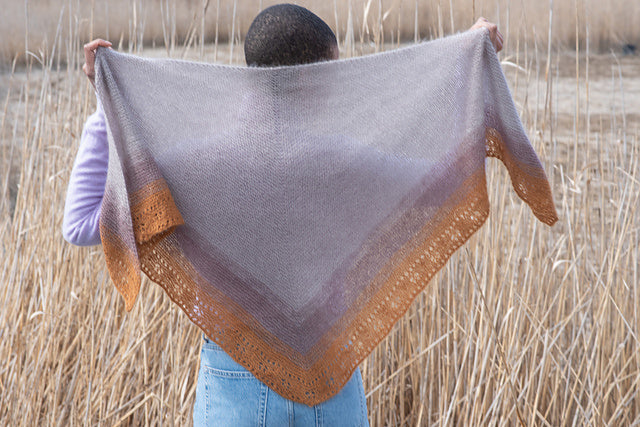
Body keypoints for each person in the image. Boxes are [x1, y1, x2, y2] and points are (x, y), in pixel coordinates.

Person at [63, 4, 503, 425]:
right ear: (307, 79)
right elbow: (449, 182)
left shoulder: (196, 166)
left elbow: (80, 223)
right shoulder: (344, 162)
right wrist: (467, 69)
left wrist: (107, 109)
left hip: (233, 383)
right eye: (333, 72)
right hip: (329, 379)